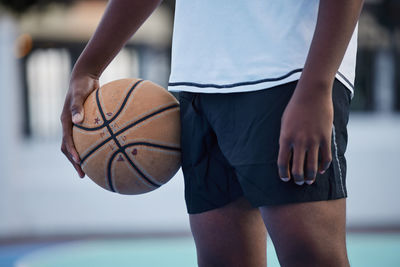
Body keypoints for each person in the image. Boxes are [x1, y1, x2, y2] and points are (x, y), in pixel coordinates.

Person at [60, 0, 364, 266]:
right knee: (223, 260)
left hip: (287, 72)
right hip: (197, 83)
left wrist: (316, 86)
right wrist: (87, 68)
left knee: (310, 255)